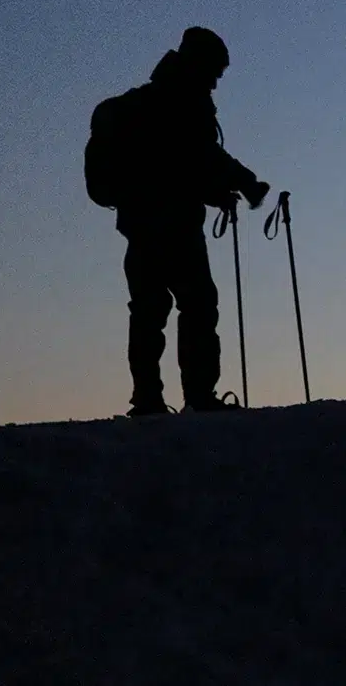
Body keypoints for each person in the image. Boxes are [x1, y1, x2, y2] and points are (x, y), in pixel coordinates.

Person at [86, 27, 269, 415]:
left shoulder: (146, 102)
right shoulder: (181, 102)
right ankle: (198, 397)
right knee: (198, 304)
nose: (216, 82)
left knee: (149, 310)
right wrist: (246, 182)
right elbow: (199, 158)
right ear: (200, 63)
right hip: (174, 226)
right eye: (215, 72)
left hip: (139, 225)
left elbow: (176, 166)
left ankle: (148, 399)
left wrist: (215, 193)